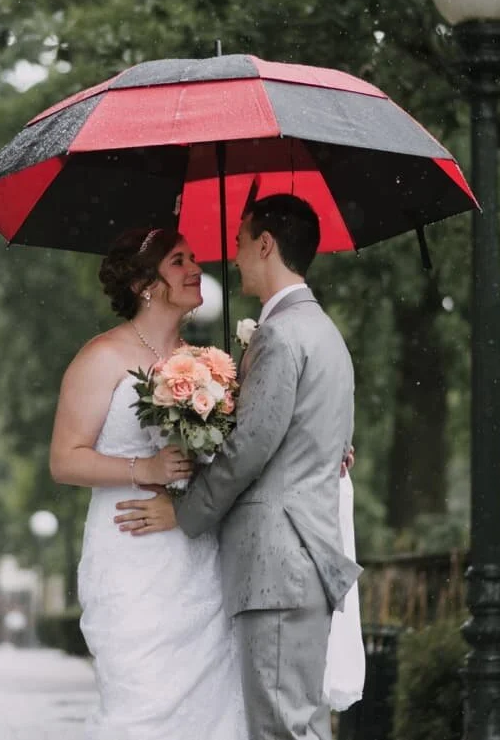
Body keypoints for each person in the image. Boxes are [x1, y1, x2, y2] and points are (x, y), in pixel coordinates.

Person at [115, 194, 363, 739]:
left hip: (279, 561)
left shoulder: (281, 335)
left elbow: (251, 448)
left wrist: (185, 510)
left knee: (281, 730)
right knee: (301, 726)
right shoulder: (323, 332)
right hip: (302, 559)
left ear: (266, 244)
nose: (233, 257)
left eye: (240, 243)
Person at [49, 226, 246, 740]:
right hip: (130, 553)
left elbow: (237, 455)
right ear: (143, 284)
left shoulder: (211, 367)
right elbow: (65, 461)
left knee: (213, 707)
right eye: (179, 260)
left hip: (195, 555)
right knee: (141, 701)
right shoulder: (103, 357)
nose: (195, 268)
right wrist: (146, 470)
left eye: (195, 258)